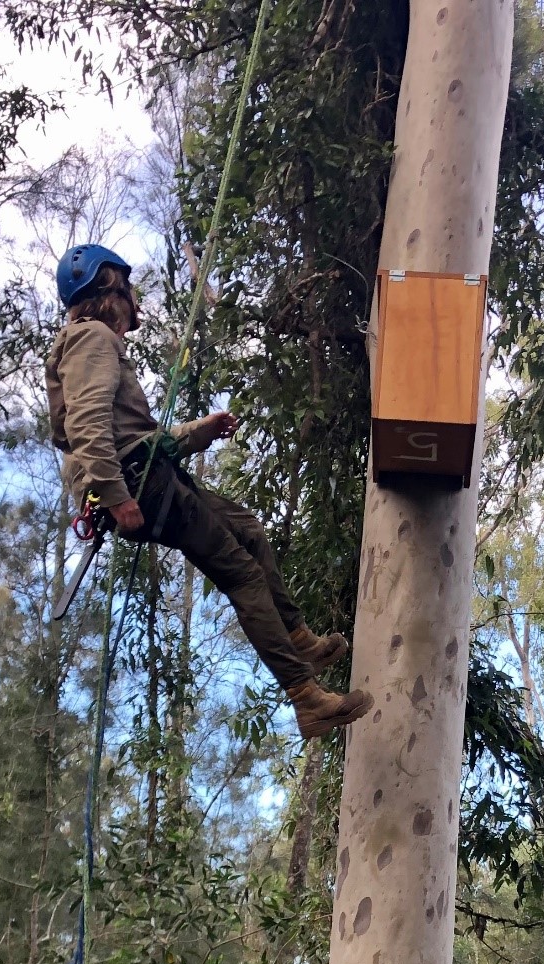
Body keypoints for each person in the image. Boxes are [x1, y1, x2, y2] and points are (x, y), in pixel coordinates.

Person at [45, 242, 373, 741]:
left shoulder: (89, 343)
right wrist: (115, 495)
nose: (136, 297)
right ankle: (307, 699)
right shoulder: (92, 338)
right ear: (109, 286)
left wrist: (201, 430)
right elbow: (88, 426)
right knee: (241, 574)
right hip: (139, 485)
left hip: (147, 476)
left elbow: (134, 436)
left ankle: (298, 639)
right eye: (128, 286)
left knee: (248, 530)